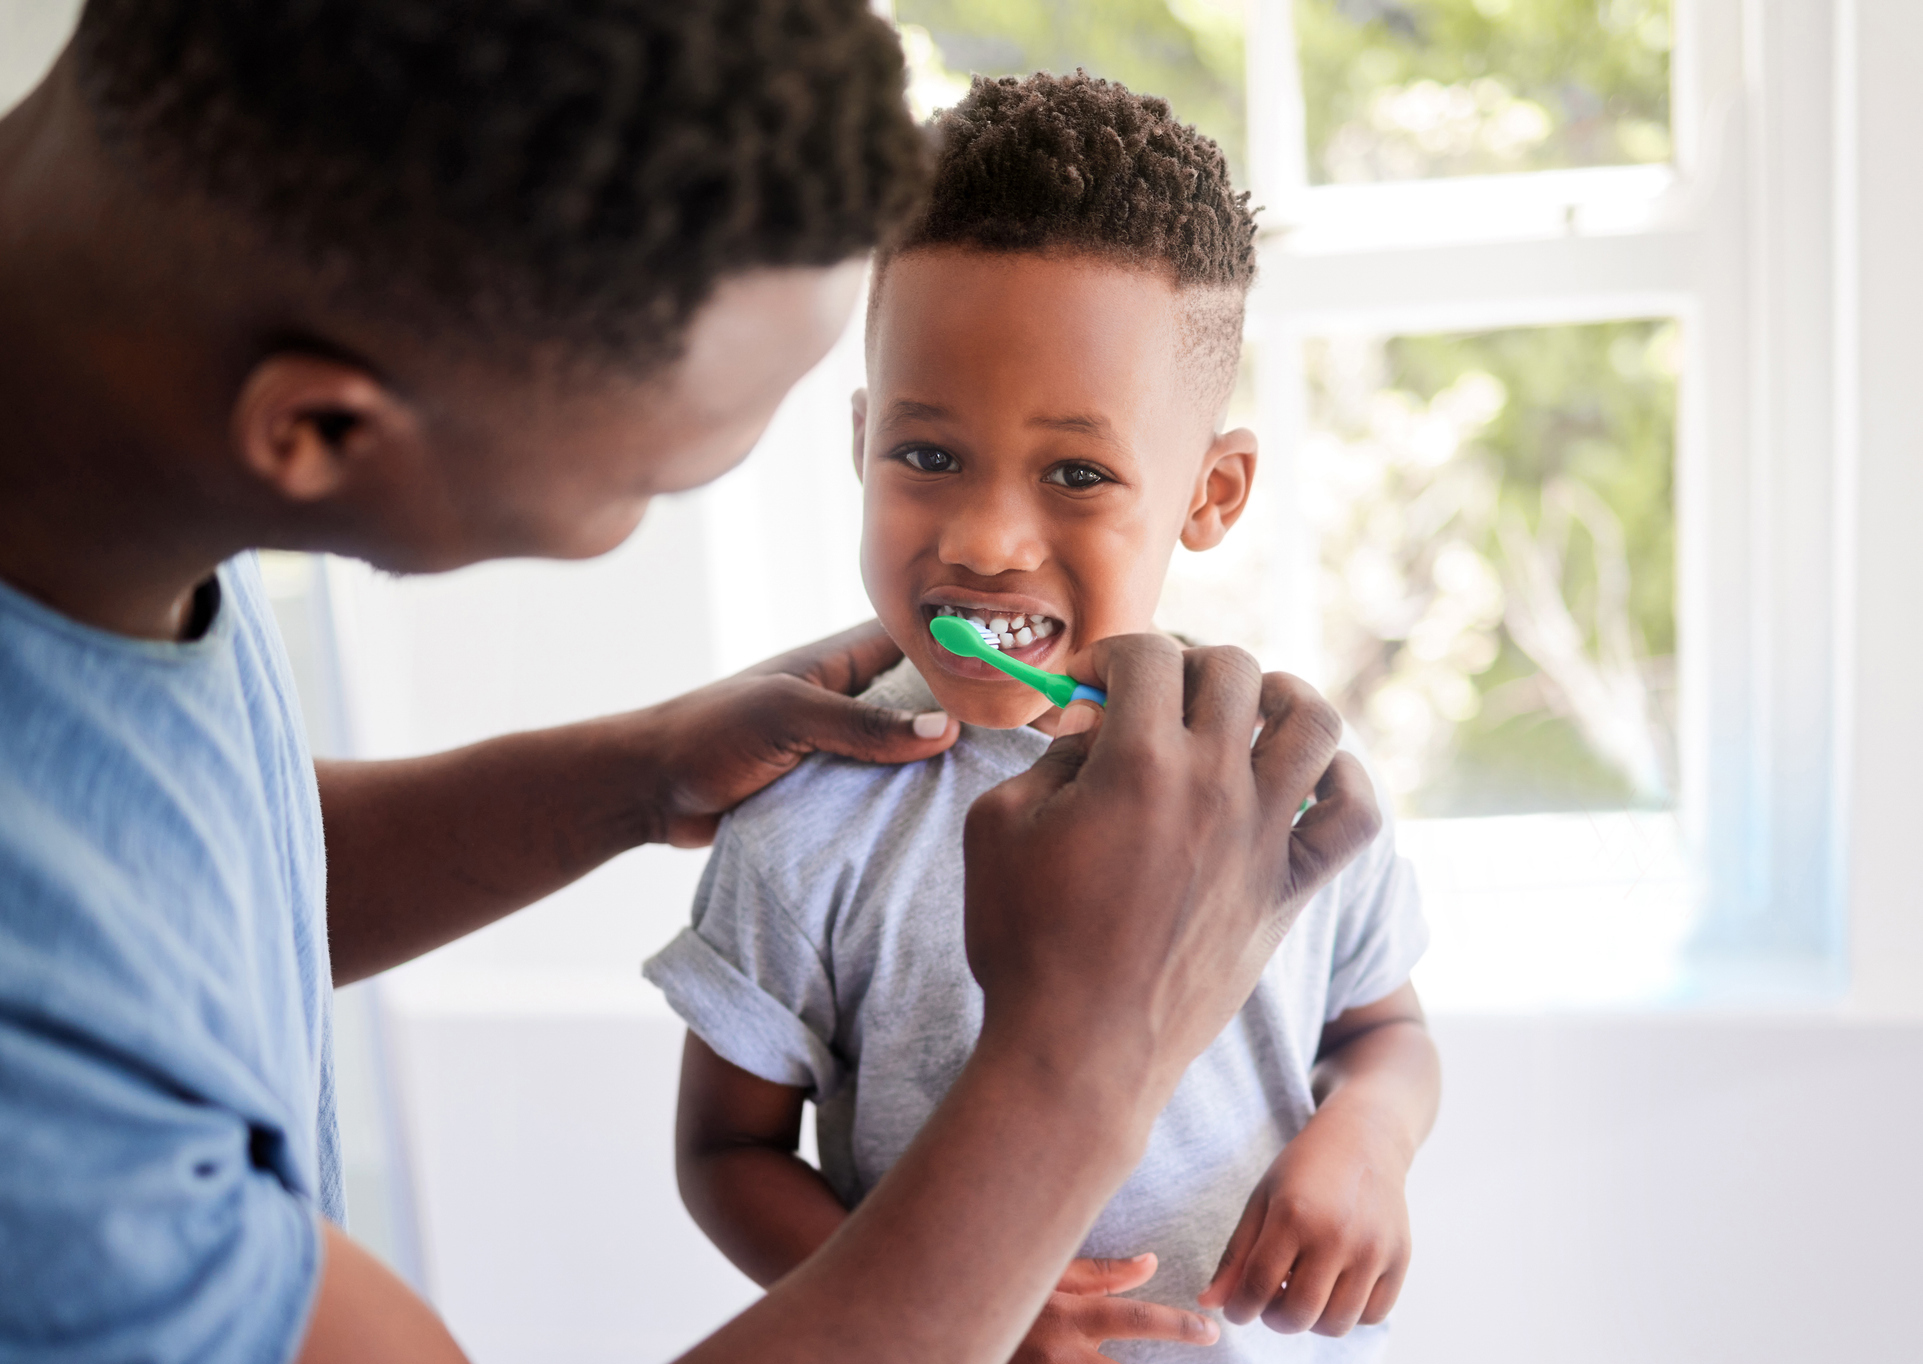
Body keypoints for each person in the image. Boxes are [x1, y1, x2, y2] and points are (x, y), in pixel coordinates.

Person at [0, 5, 1381, 1363]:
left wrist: (636, 775)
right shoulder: (55, 1133)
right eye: (649, 480)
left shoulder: (103, 443)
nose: (975, 541)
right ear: (316, 429)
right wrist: (1087, 1057)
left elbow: (181, 864)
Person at [644, 73, 1441, 1364]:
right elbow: (725, 1152)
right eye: (927, 456)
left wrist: (1368, 1142)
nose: (985, 539)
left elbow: (1382, 1033)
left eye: (1077, 472)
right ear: (861, 443)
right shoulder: (804, 820)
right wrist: (957, 1302)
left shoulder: (1287, 784)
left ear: (1213, 492)